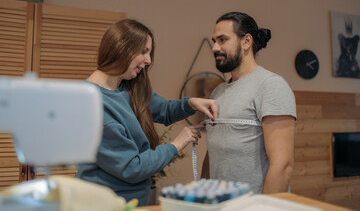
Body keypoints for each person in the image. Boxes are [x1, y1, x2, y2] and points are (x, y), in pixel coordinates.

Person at [76, 19, 218, 206]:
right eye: (143, 51)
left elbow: (165, 110)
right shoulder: (91, 103)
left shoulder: (128, 88)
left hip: (133, 203)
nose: (148, 60)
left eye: (149, 53)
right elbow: (132, 167)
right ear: (121, 47)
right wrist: (177, 144)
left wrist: (191, 103)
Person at [203, 12, 296, 194]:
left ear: (246, 41)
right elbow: (212, 155)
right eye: (214, 40)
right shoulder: (217, 92)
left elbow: (283, 165)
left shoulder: (271, 86)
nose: (214, 47)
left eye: (222, 40)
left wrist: (265, 207)